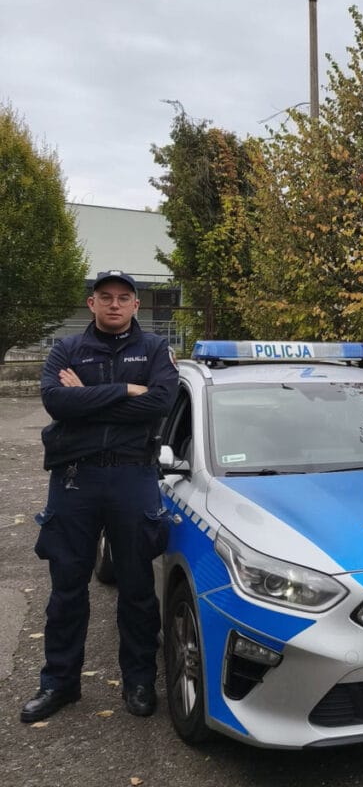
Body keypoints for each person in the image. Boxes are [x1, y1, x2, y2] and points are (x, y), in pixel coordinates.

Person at [20, 270, 178, 724]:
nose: (114, 304)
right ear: (92, 304)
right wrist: (125, 390)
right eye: (105, 297)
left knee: (136, 588)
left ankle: (140, 681)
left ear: (135, 306)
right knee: (67, 589)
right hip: (75, 481)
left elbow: (160, 404)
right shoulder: (67, 349)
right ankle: (59, 683)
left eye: (123, 298)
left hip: (132, 479)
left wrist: (86, 396)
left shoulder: (153, 350)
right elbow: (56, 403)